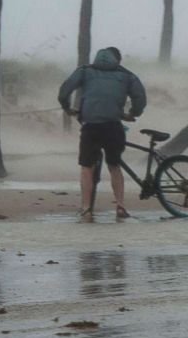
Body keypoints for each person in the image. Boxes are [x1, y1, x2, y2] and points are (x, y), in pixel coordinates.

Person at [58, 47, 146, 223]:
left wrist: (67, 107)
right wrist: (133, 113)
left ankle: (85, 209)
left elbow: (65, 90)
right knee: (114, 166)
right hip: (113, 125)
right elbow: (140, 97)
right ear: (117, 60)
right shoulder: (127, 75)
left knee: (86, 167)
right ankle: (120, 206)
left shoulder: (85, 71)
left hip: (90, 126)